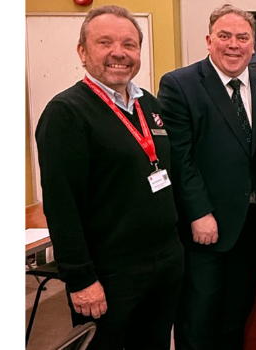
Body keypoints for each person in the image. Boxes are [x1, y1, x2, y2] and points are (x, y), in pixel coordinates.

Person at [35, 5, 183, 349]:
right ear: (82, 52)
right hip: (110, 273)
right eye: (105, 43)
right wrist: (81, 279)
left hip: (163, 263)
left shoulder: (149, 104)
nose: (119, 53)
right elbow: (61, 204)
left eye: (129, 44)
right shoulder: (67, 112)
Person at [157, 5, 256, 349]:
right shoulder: (180, 85)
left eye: (242, 37)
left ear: (253, 45)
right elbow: (179, 158)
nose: (233, 45)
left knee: (236, 319)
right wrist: (198, 212)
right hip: (205, 229)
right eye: (224, 36)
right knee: (198, 320)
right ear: (209, 41)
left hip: (252, 228)